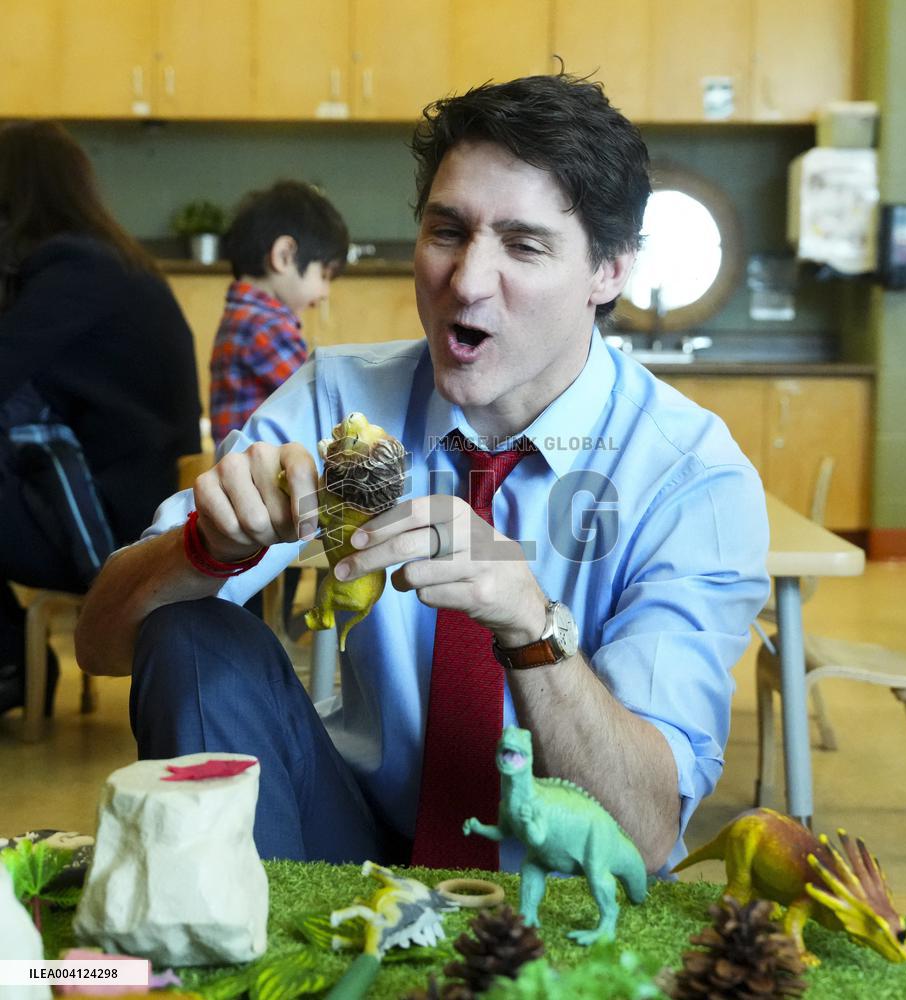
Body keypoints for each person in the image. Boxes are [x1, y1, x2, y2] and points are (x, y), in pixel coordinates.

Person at [76, 74, 769, 875]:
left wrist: (531, 627)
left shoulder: (689, 476)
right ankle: (229, 937)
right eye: (447, 231)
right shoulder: (337, 399)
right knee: (189, 628)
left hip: (554, 883)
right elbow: (101, 644)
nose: (465, 282)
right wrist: (205, 548)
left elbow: (643, 833)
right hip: (354, 838)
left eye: (524, 245)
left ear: (609, 270)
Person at [0, 121, 201, 716]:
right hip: (133, 505)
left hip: (117, 533)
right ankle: (12, 661)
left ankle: (12, 663)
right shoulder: (108, 264)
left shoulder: (75, 270)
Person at [209, 180, 349, 449]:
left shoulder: (240, 315)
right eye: (324, 275)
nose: (324, 293)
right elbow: (323, 402)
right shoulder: (265, 325)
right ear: (284, 255)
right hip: (262, 470)